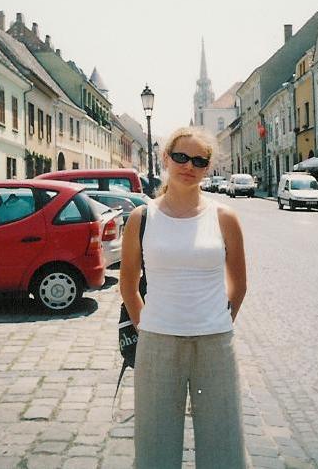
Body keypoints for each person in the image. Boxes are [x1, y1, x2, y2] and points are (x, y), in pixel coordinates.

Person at [119, 126, 248, 469]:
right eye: (180, 157)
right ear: (165, 158)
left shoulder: (224, 217)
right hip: (158, 341)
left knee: (224, 444)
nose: (188, 166)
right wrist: (145, 323)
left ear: (208, 167)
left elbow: (239, 283)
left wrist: (219, 320)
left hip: (214, 344)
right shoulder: (142, 217)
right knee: (155, 445)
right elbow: (128, 283)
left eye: (199, 160)